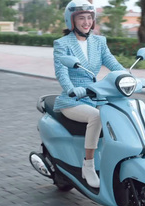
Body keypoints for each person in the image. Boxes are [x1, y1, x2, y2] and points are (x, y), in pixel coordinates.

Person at [52, 0, 125, 188]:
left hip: (95, 96)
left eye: (89, 18)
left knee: (118, 113)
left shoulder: (99, 42)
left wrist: (128, 76)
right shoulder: (62, 44)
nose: (86, 22)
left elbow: (112, 62)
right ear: (72, 21)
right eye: (81, 18)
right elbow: (61, 72)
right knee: (97, 116)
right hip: (72, 99)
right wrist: (71, 88)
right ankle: (88, 165)